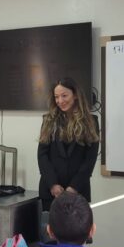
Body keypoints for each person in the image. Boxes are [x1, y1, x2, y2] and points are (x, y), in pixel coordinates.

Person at [38, 77, 99, 213]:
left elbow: (90, 160)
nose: (60, 101)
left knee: (77, 232)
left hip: (78, 191)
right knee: (49, 232)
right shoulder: (49, 121)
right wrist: (53, 184)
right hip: (50, 191)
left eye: (64, 95)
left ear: (75, 95)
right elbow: (42, 155)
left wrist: (74, 187)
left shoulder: (91, 122)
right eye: (56, 97)